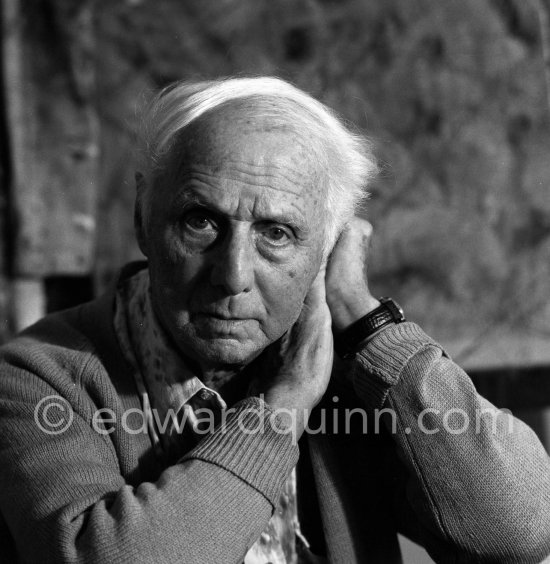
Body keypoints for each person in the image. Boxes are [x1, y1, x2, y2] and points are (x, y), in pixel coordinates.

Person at [0, 77, 549, 564]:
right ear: (144, 217)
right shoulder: (39, 378)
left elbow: (522, 531)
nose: (234, 275)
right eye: (200, 221)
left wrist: (366, 321)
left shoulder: (352, 373)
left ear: (329, 249)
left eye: (277, 234)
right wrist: (282, 408)